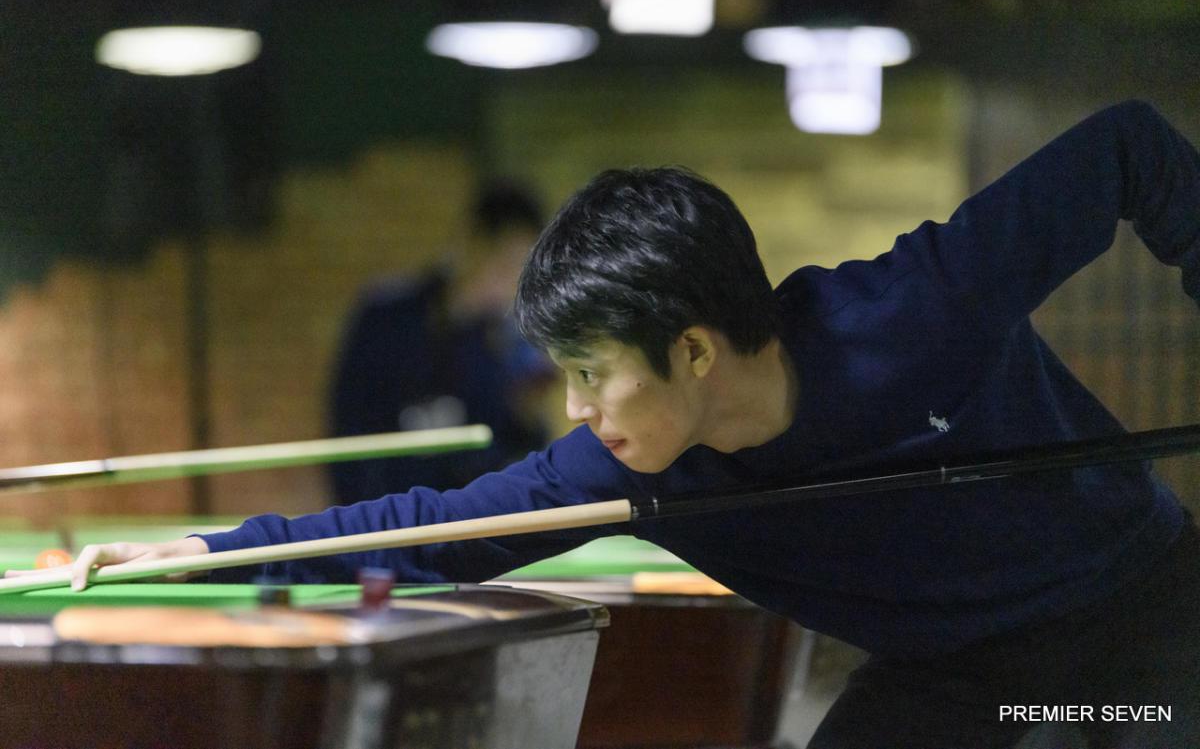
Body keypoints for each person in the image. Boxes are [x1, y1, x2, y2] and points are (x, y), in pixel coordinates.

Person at [49, 101, 1200, 748]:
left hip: (1139, 610)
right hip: (949, 671)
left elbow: (1128, 150)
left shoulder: (915, 310)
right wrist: (207, 553)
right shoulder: (622, 467)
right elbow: (429, 529)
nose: (575, 409)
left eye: (592, 373)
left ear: (692, 351)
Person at [327, 179, 555, 504]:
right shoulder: (388, 317)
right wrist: (363, 519)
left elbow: (515, 451)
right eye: (505, 263)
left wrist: (526, 414)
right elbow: (349, 428)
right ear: (473, 243)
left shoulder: (502, 343)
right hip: (388, 513)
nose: (509, 284)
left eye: (522, 272)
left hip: (464, 519)